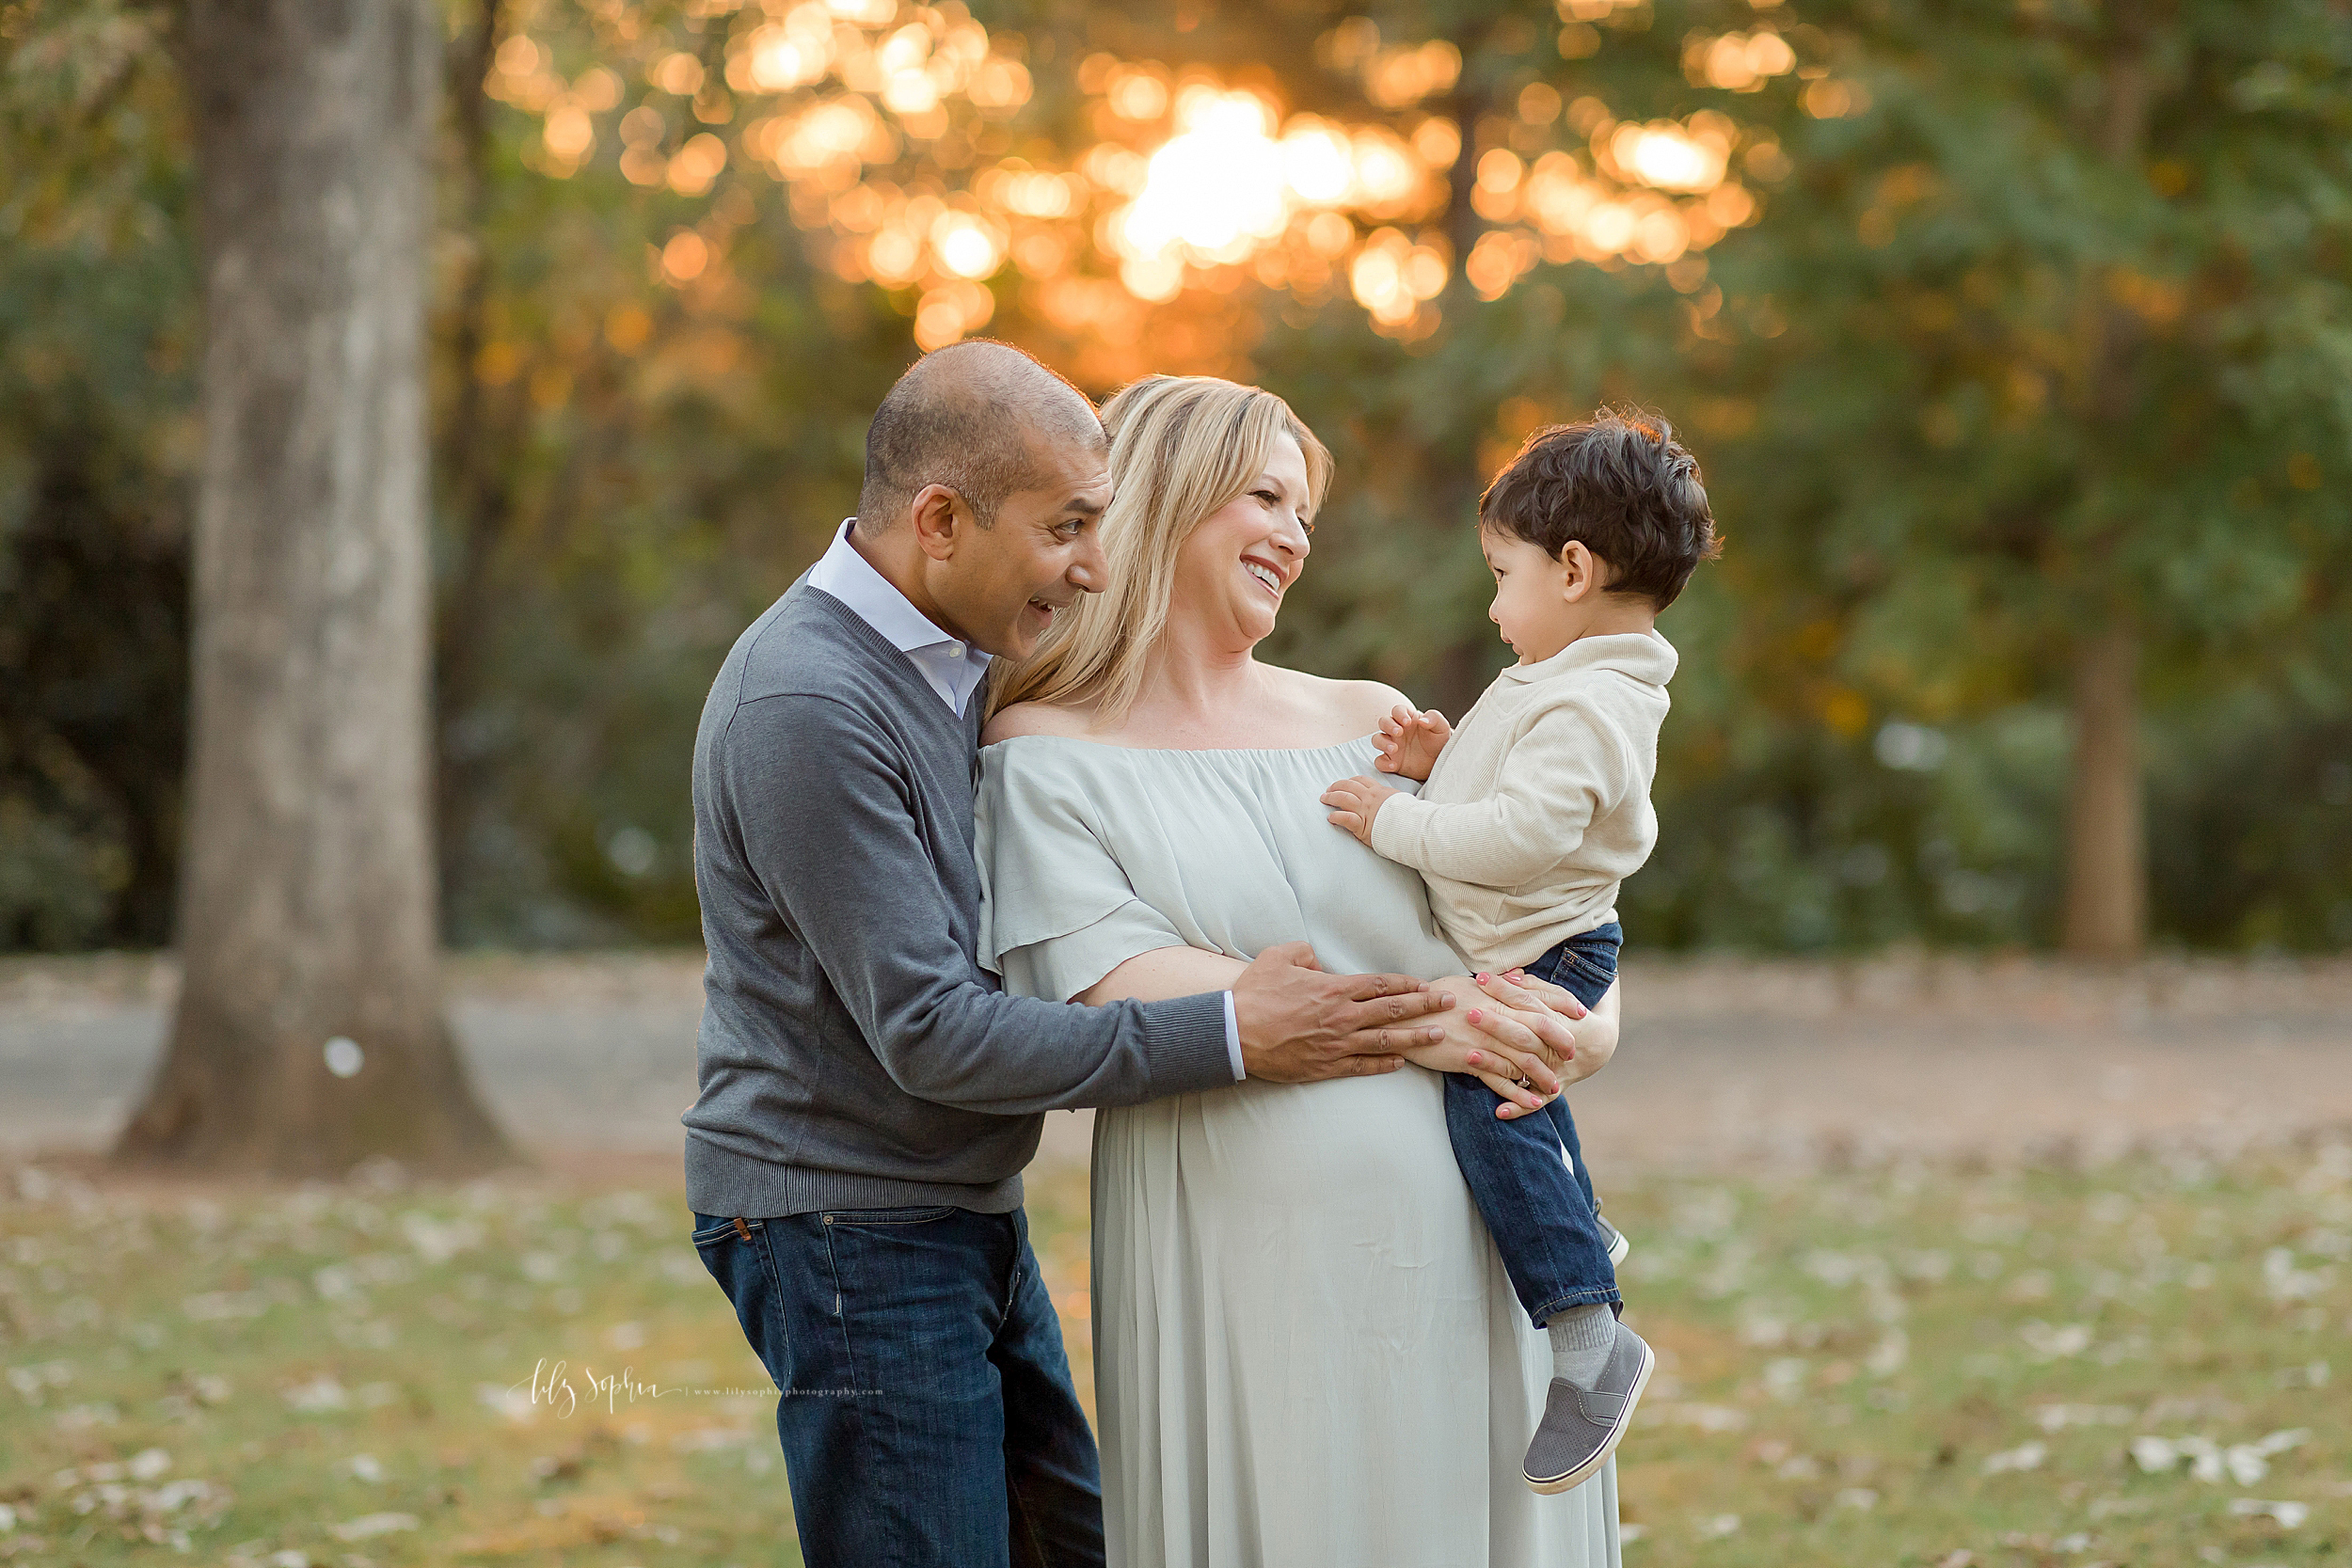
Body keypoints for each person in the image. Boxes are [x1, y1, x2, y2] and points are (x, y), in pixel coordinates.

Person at [679, 341, 1565, 1568]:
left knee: (1073, 1542)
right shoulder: (813, 704)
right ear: (941, 520)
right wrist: (1242, 1026)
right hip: (843, 1216)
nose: (1091, 563)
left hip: (947, 1199)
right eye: (1065, 528)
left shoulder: (952, 657)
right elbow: (933, 1026)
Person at [978, 372, 1622, 1567]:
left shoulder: (1368, 717)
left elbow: (1546, 897)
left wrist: (1589, 1029)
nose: (1294, 536)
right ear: (1172, 491)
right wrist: (1428, 1021)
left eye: (1307, 514)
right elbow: (1107, 979)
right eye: (1267, 496)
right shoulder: (1043, 752)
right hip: (1239, 1252)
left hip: (1485, 1250)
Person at [1320, 408, 1720, 1495]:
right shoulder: (1568, 678)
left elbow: (1520, 838)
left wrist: (1392, 820)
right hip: (1536, 937)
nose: (1493, 604)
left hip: (1546, 951)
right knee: (1517, 1106)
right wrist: (1442, 760)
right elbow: (1521, 790)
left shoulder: (1591, 699)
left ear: (1575, 569)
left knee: (1489, 1105)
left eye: (1503, 574)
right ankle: (1576, 1225)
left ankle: (1590, 1339)